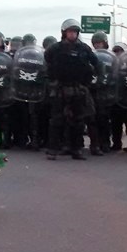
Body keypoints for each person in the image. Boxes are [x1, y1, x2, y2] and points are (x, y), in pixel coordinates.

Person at [44, 19, 97, 160]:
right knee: (57, 120)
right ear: (64, 33)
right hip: (61, 87)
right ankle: (53, 149)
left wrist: (90, 80)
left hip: (78, 88)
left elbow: (96, 63)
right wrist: (52, 81)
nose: (72, 34)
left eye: (75, 32)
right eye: (70, 32)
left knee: (78, 121)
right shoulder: (55, 48)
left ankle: (77, 149)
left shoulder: (84, 48)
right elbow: (48, 62)